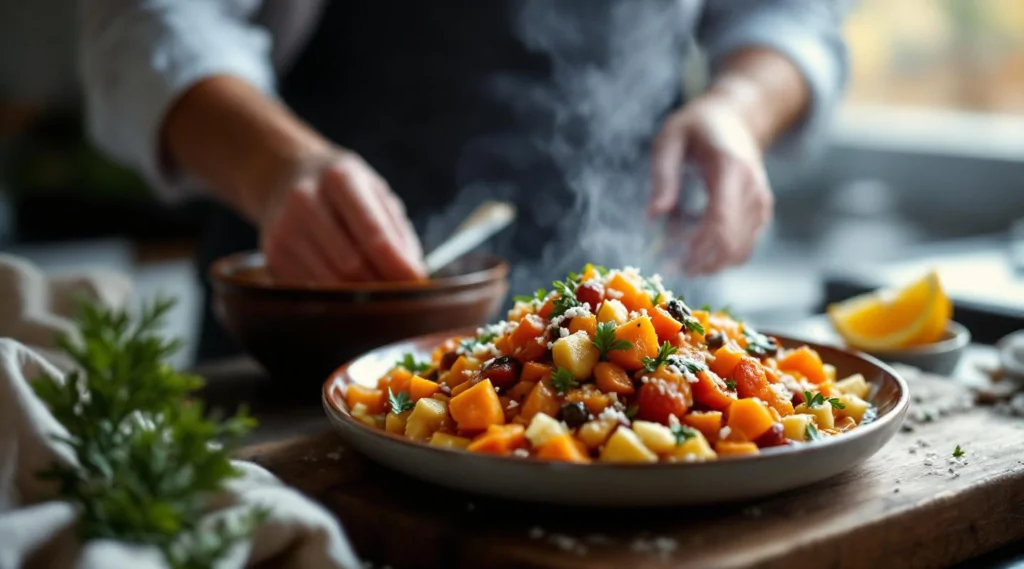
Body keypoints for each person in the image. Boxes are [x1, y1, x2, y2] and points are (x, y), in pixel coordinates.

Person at [80, 1, 850, 361]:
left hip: (659, 306)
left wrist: (739, 109)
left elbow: (791, 16)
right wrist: (279, 167)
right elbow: (145, 21)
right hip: (310, 313)